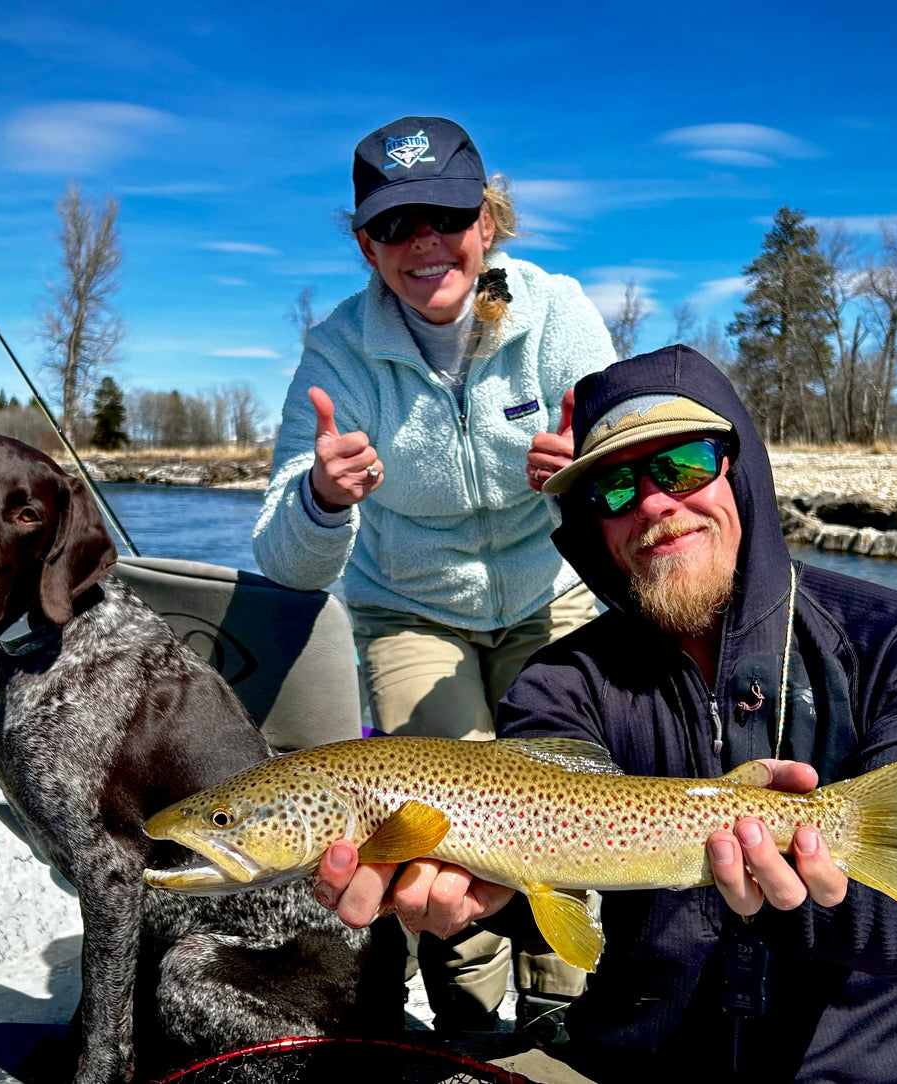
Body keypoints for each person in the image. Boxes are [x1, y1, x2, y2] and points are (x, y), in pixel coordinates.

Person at [315, 345, 897, 1082]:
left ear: (741, 472)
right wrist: (473, 899)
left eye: (682, 467)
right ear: (593, 525)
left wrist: (789, 892)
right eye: (613, 490)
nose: (651, 503)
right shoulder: (558, 681)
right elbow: (557, 872)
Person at [252, 116, 616, 1033]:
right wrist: (324, 500)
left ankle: (561, 1014)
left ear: (486, 222)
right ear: (365, 243)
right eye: (392, 224)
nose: (423, 244)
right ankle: (466, 1023)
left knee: (563, 807)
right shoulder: (336, 352)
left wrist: (592, 473)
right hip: (410, 610)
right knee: (439, 831)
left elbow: (643, 467)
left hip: (554, 593)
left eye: (445, 216)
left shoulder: (558, 314)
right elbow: (281, 559)